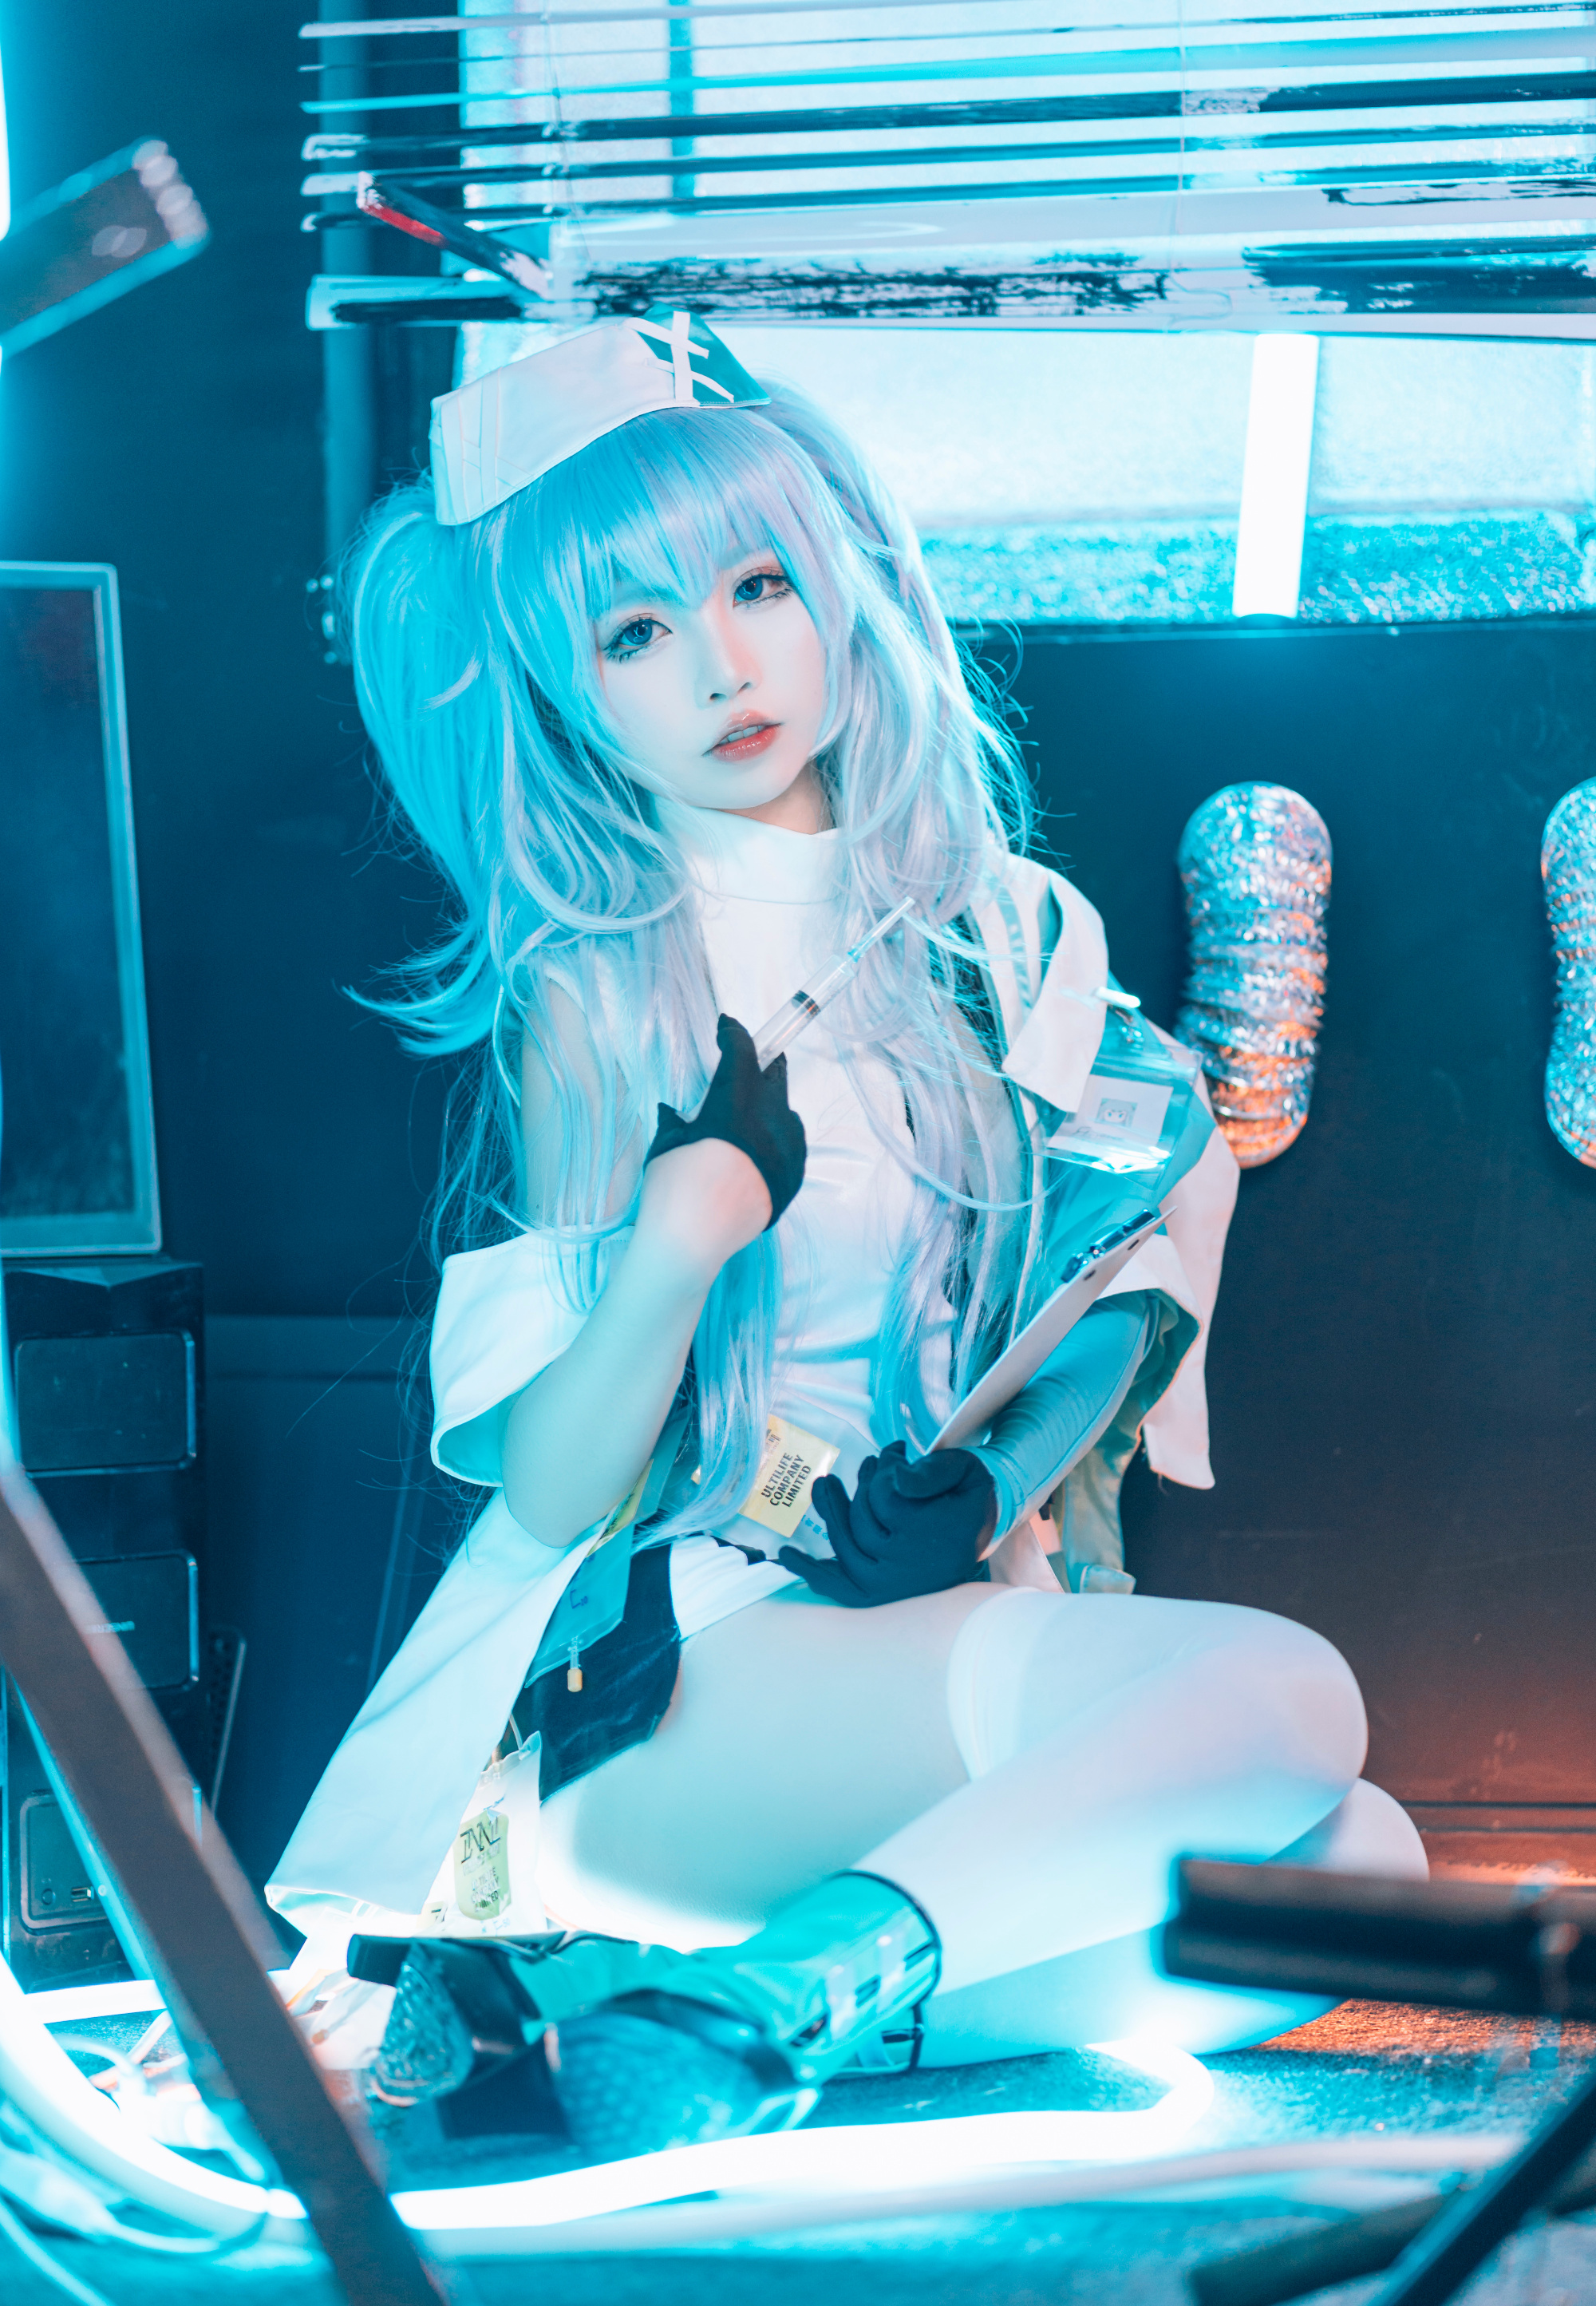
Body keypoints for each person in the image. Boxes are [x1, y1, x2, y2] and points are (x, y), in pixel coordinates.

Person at [270, 309, 1425, 2154]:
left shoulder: (1007, 938)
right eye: (634, 634)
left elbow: (1130, 1259)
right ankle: (736, 1994)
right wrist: (681, 1234)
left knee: (1356, 1870)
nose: (723, 666)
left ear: (838, 588)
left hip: (928, 1624)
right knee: (1287, 1690)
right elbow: (550, 1492)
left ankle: (630, 2017)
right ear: (569, 694)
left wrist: (990, 1487)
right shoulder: (599, 989)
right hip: (675, 1674)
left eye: (756, 587)